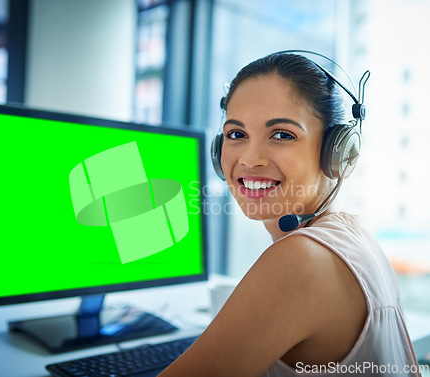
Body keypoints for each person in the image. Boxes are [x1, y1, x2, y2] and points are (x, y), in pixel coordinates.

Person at [158, 52, 421, 376]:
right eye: (236, 134)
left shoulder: (300, 260)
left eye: (282, 134)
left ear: (337, 151)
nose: (250, 159)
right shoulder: (352, 234)